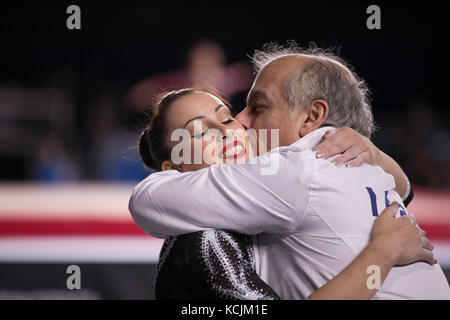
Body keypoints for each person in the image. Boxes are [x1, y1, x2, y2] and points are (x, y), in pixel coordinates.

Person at [130, 43, 450, 299]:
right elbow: (405, 191)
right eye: (201, 132)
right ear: (174, 167)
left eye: (257, 108)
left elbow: (147, 199)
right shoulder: (205, 240)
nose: (238, 124)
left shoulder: (290, 172)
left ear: (311, 118)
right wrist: (382, 252)